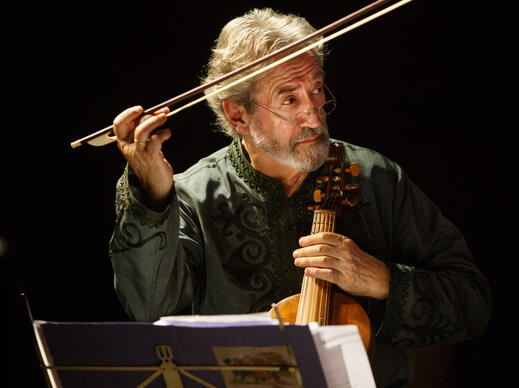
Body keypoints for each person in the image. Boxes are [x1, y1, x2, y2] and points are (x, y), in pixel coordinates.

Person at [109, 7, 491, 387]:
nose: (314, 113)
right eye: (289, 99)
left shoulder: (377, 178)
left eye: (317, 89)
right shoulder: (195, 196)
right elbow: (149, 308)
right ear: (238, 116)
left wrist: (381, 279)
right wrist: (153, 195)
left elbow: (472, 304)